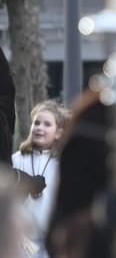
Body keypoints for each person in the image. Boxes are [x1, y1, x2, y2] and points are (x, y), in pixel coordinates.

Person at [12, 101, 67, 258]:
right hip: (21, 240)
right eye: (36, 123)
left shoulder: (62, 163)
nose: (40, 128)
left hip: (51, 240)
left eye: (47, 124)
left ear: (58, 132)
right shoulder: (17, 159)